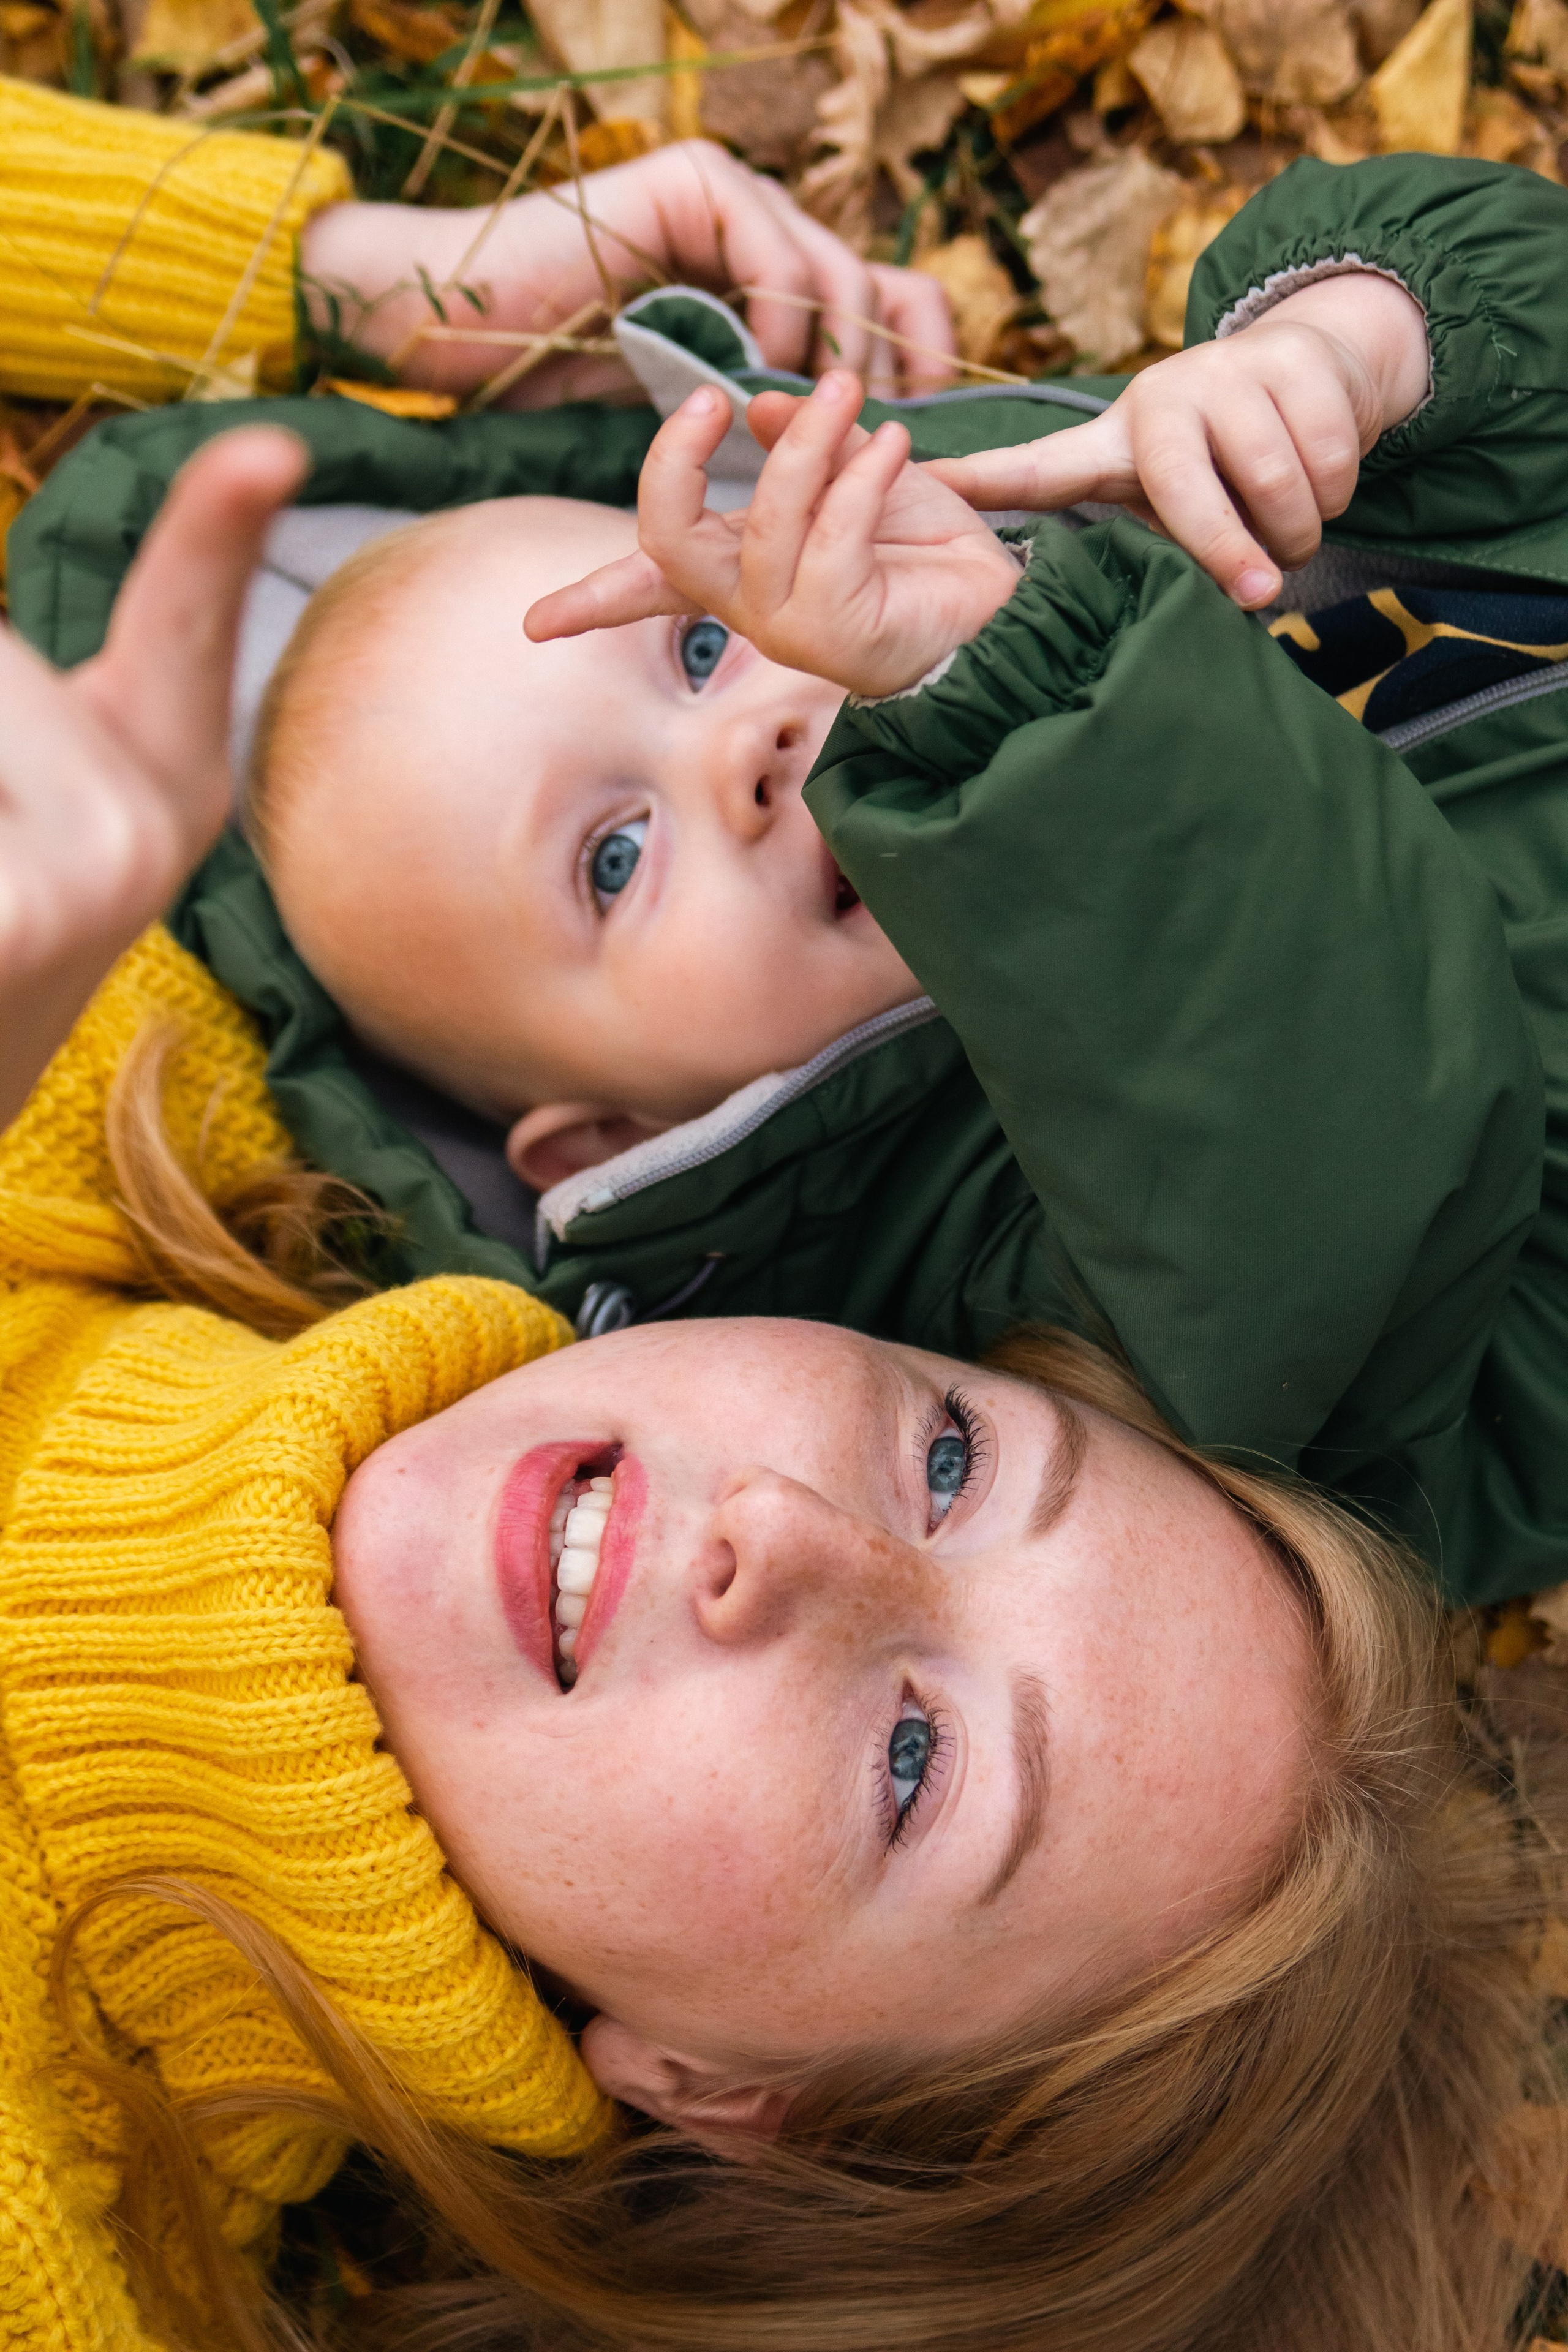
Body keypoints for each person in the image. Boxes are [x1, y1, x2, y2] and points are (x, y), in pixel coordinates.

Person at [1, 428, 1565, 2352]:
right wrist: (357, 284)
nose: (780, 1533)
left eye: (916, 1767)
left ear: (732, 2093)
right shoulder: (154, 1096)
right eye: (952, 1458)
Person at [160, 152, 1568, 1618]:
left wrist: (1333, 348)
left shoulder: (1059, 531)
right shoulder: (964, 1308)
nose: (745, 753)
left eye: (697, 647)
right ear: (615, 1134)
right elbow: (1318, 1137)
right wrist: (1017, 700)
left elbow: (1525, 329)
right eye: (613, 860)